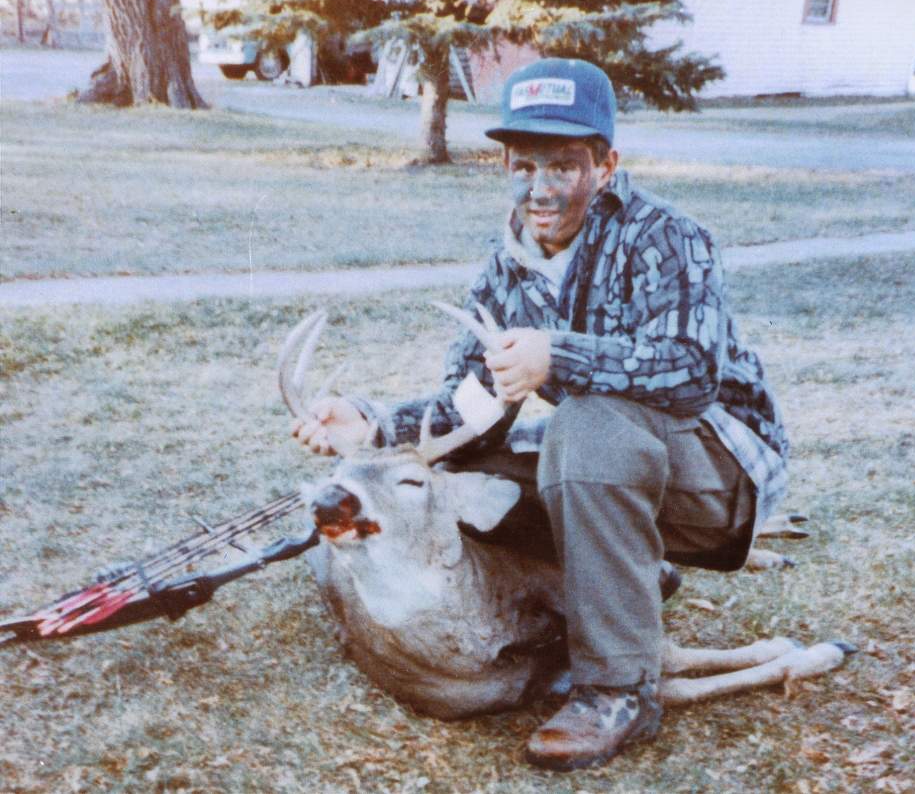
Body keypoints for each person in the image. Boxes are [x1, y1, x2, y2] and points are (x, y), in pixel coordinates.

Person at [292, 58, 789, 772]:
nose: (542, 188)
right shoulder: (505, 269)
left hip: (719, 468)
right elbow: (470, 406)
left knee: (584, 429)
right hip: (614, 461)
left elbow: (689, 372)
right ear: (505, 165)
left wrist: (556, 356)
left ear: (605, 165)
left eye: (564, 165)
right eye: (525, 165)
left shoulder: (667, 238)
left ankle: (616, 689)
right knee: (455, 472)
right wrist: (373, 428)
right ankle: (589, 599)